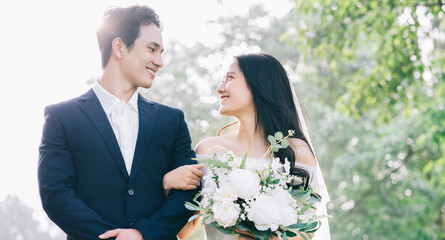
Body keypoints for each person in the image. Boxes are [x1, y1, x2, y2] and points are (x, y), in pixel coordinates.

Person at [38, 5, 201, 240]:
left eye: (161, 51)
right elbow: (55, 194)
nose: (160, 61)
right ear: (119, 47)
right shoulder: (62, 118)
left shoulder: (172, 120)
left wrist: (142, 234)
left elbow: (190, 191)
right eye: (152, 49)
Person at [163, 52, 331, 240]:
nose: (220, 88)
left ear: (259, 84)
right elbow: (183, 232)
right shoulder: (207, 151)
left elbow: (307, 231)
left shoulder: (296, 151)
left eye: (230, 78)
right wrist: (167, 184)